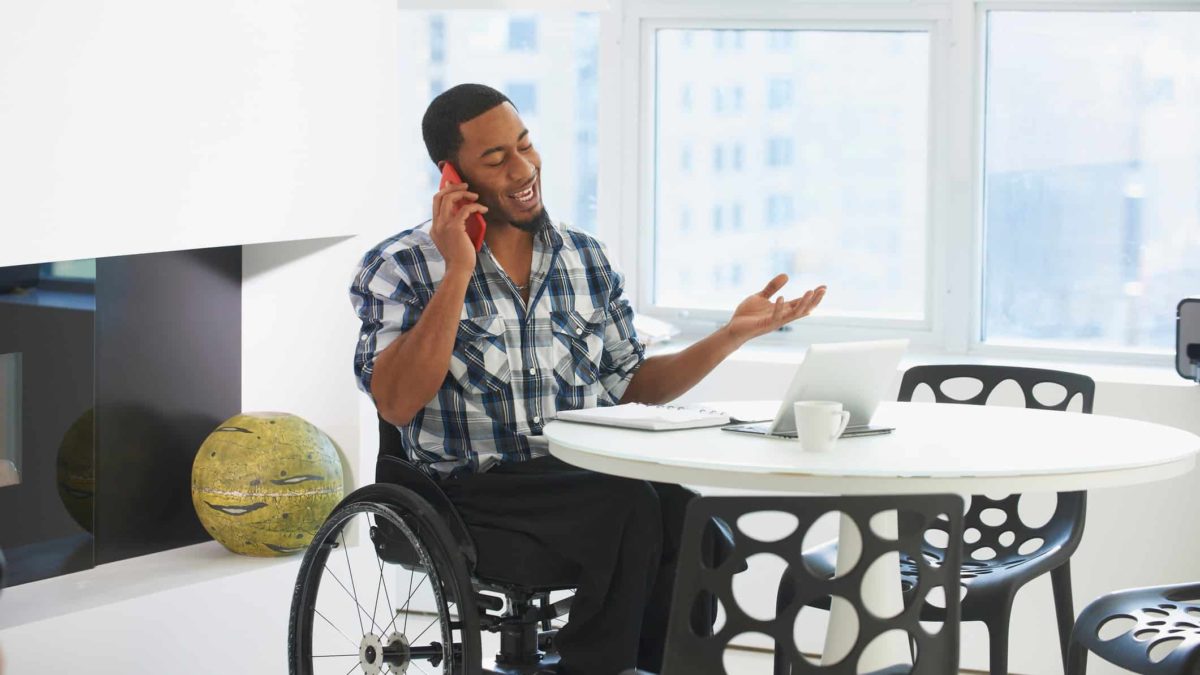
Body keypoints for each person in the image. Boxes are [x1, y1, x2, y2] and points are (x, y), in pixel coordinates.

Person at [350, 83, 826, 675]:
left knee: (688, 515)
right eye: (496, 159)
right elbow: (396, 403)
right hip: (468, 491)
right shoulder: (401, 266)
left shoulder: (585, 257)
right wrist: (458, 270)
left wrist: (731, 335)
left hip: (580, 475)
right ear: (452, 176)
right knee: (628, 507)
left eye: (525, 146)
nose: (524, 169)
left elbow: (631, 387)